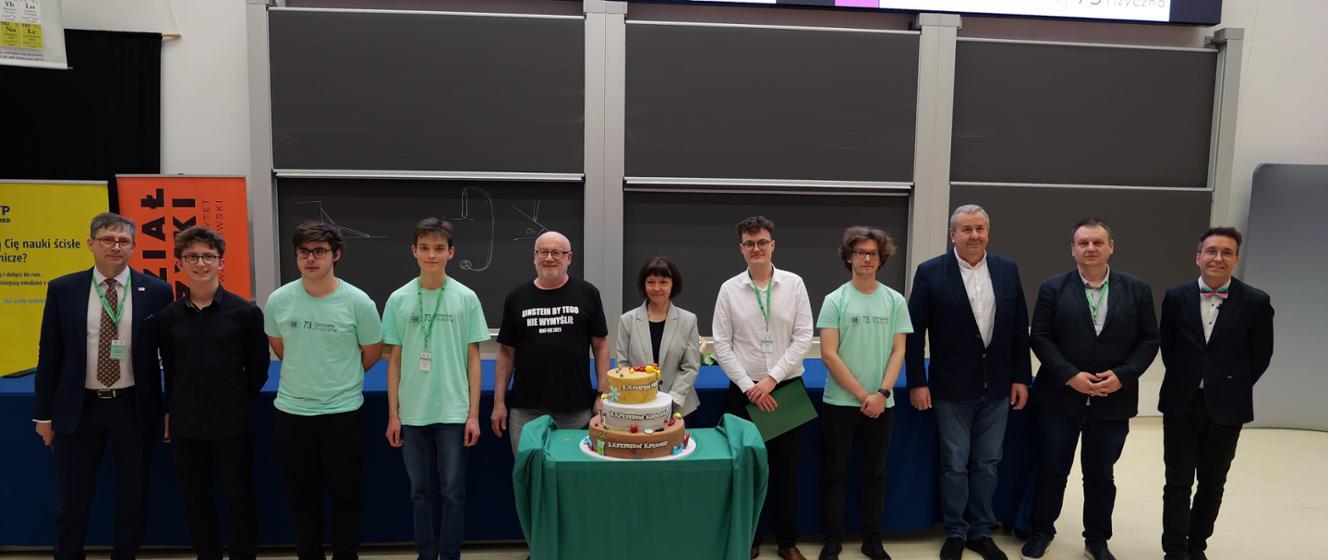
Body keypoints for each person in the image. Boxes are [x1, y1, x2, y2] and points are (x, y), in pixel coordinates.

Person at [32, 212, 174, 560]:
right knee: (72, 495)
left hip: (133, 406)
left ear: (134, 247)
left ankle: (125, 555)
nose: (116, 246)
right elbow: (49, 354)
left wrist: (171, 408)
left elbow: (172, 356)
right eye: (108, 239)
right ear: (91, 243)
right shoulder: (63, 289)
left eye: (124, 241)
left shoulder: (157, 291)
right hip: (79, 406)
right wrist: (43, 415)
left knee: (134, 493)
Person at [1023, 218, 1160, 560]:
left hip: (1113, 400)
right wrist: (1070, 376)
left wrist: (1123, 376)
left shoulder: (1137, 289)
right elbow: (1040, 336)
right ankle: (1041, 532)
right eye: (1083, 243)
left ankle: (1097, 540)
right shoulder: (1053, 288)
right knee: (1052, 470)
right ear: (1072, 249)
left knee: (1100, 475)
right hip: (1060, 398)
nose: (1090, 248)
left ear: (1111, 246)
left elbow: (1149, 339)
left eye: (1098, 242)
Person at [905, 205, 1030, 560]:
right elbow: (914, 333)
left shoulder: (1007, 269)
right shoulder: (930, 272)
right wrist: (916, 382)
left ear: (988, 233)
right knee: (954, 463)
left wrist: (1022, 377)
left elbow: (1019, 328)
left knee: (988, 462)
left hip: (999, 385)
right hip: (950, 386)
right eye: (966, 229)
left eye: (979, 228)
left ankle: (981, 530)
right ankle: (956, 530)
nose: (974, 235)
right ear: (953, 235)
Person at [264, 222, 383, 560]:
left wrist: (339, 378)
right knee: (303, 499)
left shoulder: (359, 302)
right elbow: (280, 347)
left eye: (319, 251)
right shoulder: (279, 300)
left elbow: (372, 352)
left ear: (336, 255)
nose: (310, 259)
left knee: (345, 498)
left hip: (342, 414)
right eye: (303, 252)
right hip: (292, 414)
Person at [1157, 227, 1274, 560]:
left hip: (1227, 407)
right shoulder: (1175, 297)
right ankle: (1174, 551)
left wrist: (1228, 385)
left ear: (1236, 259)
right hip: (1181, 403)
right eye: (1211, 251)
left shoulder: (1256, 301)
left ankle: (1196, 546)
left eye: (1226, 252)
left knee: (1212, 483)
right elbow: (1169, 347)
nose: (1217, 258)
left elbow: (1260, 355)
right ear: (1198, 257)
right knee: (1177, 482)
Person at [382, 218, 489, 560]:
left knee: (453, 492)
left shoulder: (466, 298)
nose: (432, 255)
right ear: (414, 251)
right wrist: (393, 415)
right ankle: (426, 554)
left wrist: (473, 415)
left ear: (451, 253)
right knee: (419, 492)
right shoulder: (398, 299)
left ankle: (450, 554)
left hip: (453, 411)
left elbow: (474, 359)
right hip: (412, 413)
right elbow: (394, 361)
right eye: (425, 248)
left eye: (439, 248)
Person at [159, 226, 268, 560]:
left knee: (240, 498)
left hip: (232, 423)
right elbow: (171, 371)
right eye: (191, 257)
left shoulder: (245, 312)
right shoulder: (168, 317)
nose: (200, 264)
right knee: (196, 500)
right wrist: (173, 410)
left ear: (221, 262)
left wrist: (235, 400)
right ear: (179, 263)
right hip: (187, 425)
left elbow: (258, 369)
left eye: (208, 257)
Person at [713, 216, 814, 560]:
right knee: (746, 469)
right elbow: (721, 344)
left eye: (762, 242)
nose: (756, 249)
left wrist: (771, 380)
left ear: (773, 245)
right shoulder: (729, 289)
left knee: (788, 472)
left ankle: (786, 542)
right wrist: (749, 386)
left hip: (786, 389)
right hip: (744, 393)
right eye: (749, 243)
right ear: (741, 248)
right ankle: (749, 538)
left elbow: (804, 336)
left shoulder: (794, 284)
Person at [816, 226, 912, 560]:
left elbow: (899, 351)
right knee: (836, 473)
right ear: (849, 257)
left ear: (881, 258)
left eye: (872, 253)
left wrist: (881, 393)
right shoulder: (835, 300)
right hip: (840, 403)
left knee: (876, 474)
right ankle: (833, 540)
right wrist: (862, 395)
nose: (867, 258)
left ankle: (873, 540)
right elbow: (829, 354)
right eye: (860, 252)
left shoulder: (895, 301)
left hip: (883, 403)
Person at [491, 231, 610, 454]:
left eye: (556, 253)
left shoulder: (588, 294)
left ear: (569, 258)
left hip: (576, 409)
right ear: (534, 256)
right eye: (543, 252)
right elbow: (506, 353)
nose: (548, 258)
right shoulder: (516, 297)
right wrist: (499, 403)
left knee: (572, 472)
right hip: (526, 410)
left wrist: (602, 396)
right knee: (528, 470)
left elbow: (601, 346)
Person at [616, 256, 701, 417]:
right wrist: (640, 396)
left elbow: (690, 367)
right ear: (643, 284)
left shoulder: (688, 320)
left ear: (673, 284)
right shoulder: (627, 320)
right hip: (639, 406)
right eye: (651, 282)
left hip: (678, 407)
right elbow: (623, 365)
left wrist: (672, 399)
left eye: (663, 282)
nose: (656, 288)